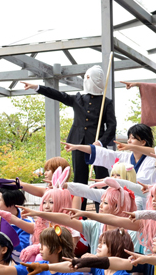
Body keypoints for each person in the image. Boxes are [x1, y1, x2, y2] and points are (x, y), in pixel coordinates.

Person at [22, 66, 117, 210]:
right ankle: (80, 213)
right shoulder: (78, 99)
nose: (86, 80)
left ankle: (103, 212)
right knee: (79, 179)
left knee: (102, 178)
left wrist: (101, 142)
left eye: (88, 77)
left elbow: (112, 126)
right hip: (77, 143)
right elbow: (59, 95)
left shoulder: (106, 102)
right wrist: (37, 87)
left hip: (96, 147)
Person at [67, 123, 156, 186]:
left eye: (133, 138)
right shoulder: (125, 157)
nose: (129, 141)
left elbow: (142, 181)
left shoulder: (154, 161)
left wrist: (110, 180)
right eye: (128, 138)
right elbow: (103, 153)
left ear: (143, 142)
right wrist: (77, 147)